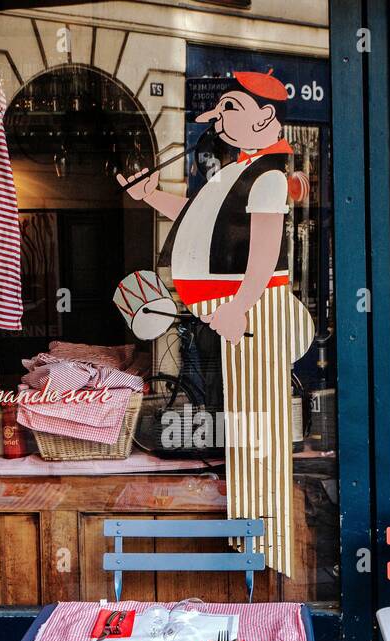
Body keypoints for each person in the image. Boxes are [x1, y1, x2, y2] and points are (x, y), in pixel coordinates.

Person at [116, 69, 315, 576]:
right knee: (240, 419)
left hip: (248, 313)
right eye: (221, 107)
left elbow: (267, 249)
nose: (220, 118)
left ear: (265, 117)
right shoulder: (235, 171)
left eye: (232, 107)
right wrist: (150, 197)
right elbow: (195, 217)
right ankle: (251, 539)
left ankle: (264, 546)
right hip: (220, 310)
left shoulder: (268, 175)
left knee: (259, 431)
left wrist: (239, 305)